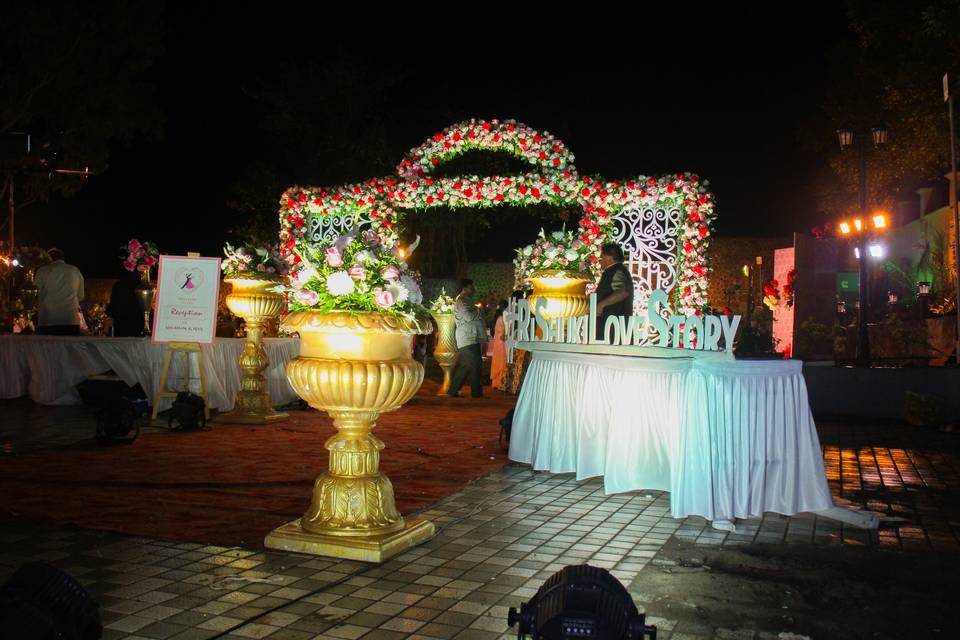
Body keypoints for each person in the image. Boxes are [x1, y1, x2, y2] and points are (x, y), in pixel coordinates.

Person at [448, 279, 486, 398]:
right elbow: (468, 316)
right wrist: (478, 310)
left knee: (466, 366)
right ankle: (476, 393)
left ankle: (453, 391)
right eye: (471, 287)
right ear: (465, 288)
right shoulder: (461, 301)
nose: (473, 289)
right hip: (467, 337)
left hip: (471, 336)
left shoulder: (467, 301)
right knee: (476, 364)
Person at [35, 248, 85, 336]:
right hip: (70, 319)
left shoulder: (42, 271)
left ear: (48, 258)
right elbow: (81, 296)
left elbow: (35, 295)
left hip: (48, 320)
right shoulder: (75, 270)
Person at [595, 243, 633, 340]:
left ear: (609, 257)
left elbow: (622, 292)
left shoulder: (617, 271)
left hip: (612, 327)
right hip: (610, 325)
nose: (600, 259)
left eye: (602, 256)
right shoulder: (613, 270)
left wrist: (601, 305)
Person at [108, 268, 145, 337]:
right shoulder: (141, 286)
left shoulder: (119, 284)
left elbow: (113, 308)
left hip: (121, 326)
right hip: (137, 326)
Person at [490, 300, 508, 390]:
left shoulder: (499, 317)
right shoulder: (502, 318)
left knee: (499, 361)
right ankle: (500, 382)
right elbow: (502, 334)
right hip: (501, 343)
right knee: (502, 361)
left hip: (498, 343)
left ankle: (498, 382)